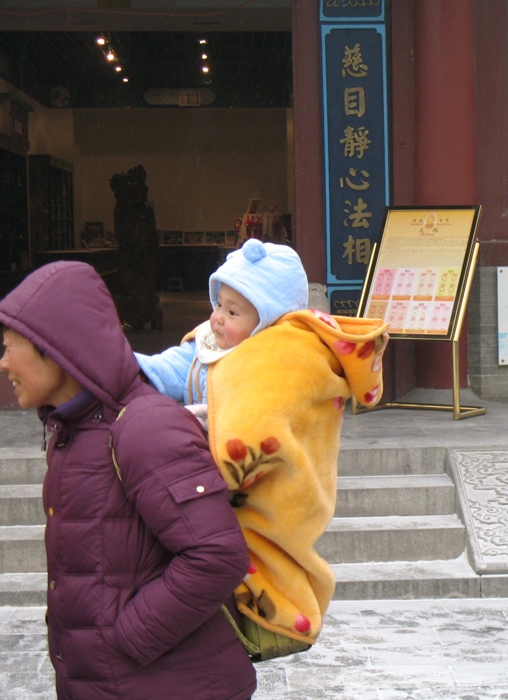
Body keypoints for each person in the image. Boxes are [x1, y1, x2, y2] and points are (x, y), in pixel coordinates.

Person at [0, 261, 257, 700]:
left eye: (8, 348)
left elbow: (216, 555)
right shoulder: (71, 433)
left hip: (170, 685)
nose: (1, 364)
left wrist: (125, 638)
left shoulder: (144, 426)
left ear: (53, 347)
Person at [135, 238, 389, 649]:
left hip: (262, 486)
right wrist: (133, 370)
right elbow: (178, 365)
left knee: (261, 557)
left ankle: (274, 617)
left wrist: (197, 433)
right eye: (218, 304)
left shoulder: (283, 359)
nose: (217, 319)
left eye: (233, 312)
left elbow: (256, 426)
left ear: (268, 321)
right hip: (203, 476)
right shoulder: (216, 340)